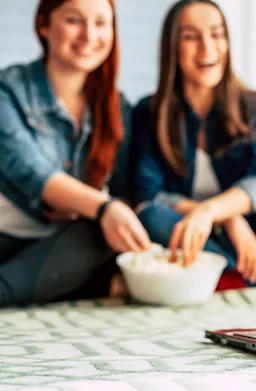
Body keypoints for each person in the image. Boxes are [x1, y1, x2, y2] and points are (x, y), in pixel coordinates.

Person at [0, 0, 152, 307]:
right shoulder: (8, 90)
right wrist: (101, 207)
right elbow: (30, 172)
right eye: (74, 20)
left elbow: (123, 192)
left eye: (100, 23)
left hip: (67, 248)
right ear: (44, 25)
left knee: (110, 234)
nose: (89, 35)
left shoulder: (117, 107)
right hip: (9, 239)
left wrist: (100, 209)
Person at [134, 0, 256, 286]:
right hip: (189, 235)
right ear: (172, 47)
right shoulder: (148, 112)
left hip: (252, 237)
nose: (207, 48)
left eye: (216, 34)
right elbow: (148, 195)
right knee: (150, 216)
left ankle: (233, 278)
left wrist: (211, 211)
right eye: (190, 37)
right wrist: (226, 219)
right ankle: (236, 279)